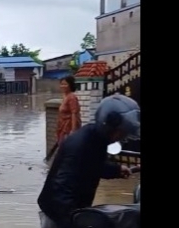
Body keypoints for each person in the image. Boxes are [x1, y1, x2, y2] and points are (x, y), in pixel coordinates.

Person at [37, 94, 140, 228]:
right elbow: (61, 189)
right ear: (108, 125)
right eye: (121, 133)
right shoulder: (80, 145)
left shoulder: (97, 139)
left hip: (74, 210)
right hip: (57, 214)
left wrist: (117, 170)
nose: (121, 138)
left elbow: (92, 166)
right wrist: (74, 221)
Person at [56, 76, 82, 143]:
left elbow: (74, 114)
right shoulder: (65, 96)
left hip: (68, 127)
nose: (63, 86)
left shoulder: (72, 97)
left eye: (65, 84)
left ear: (70, 85)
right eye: (61, 84)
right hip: (62, 125)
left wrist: (73, 131)